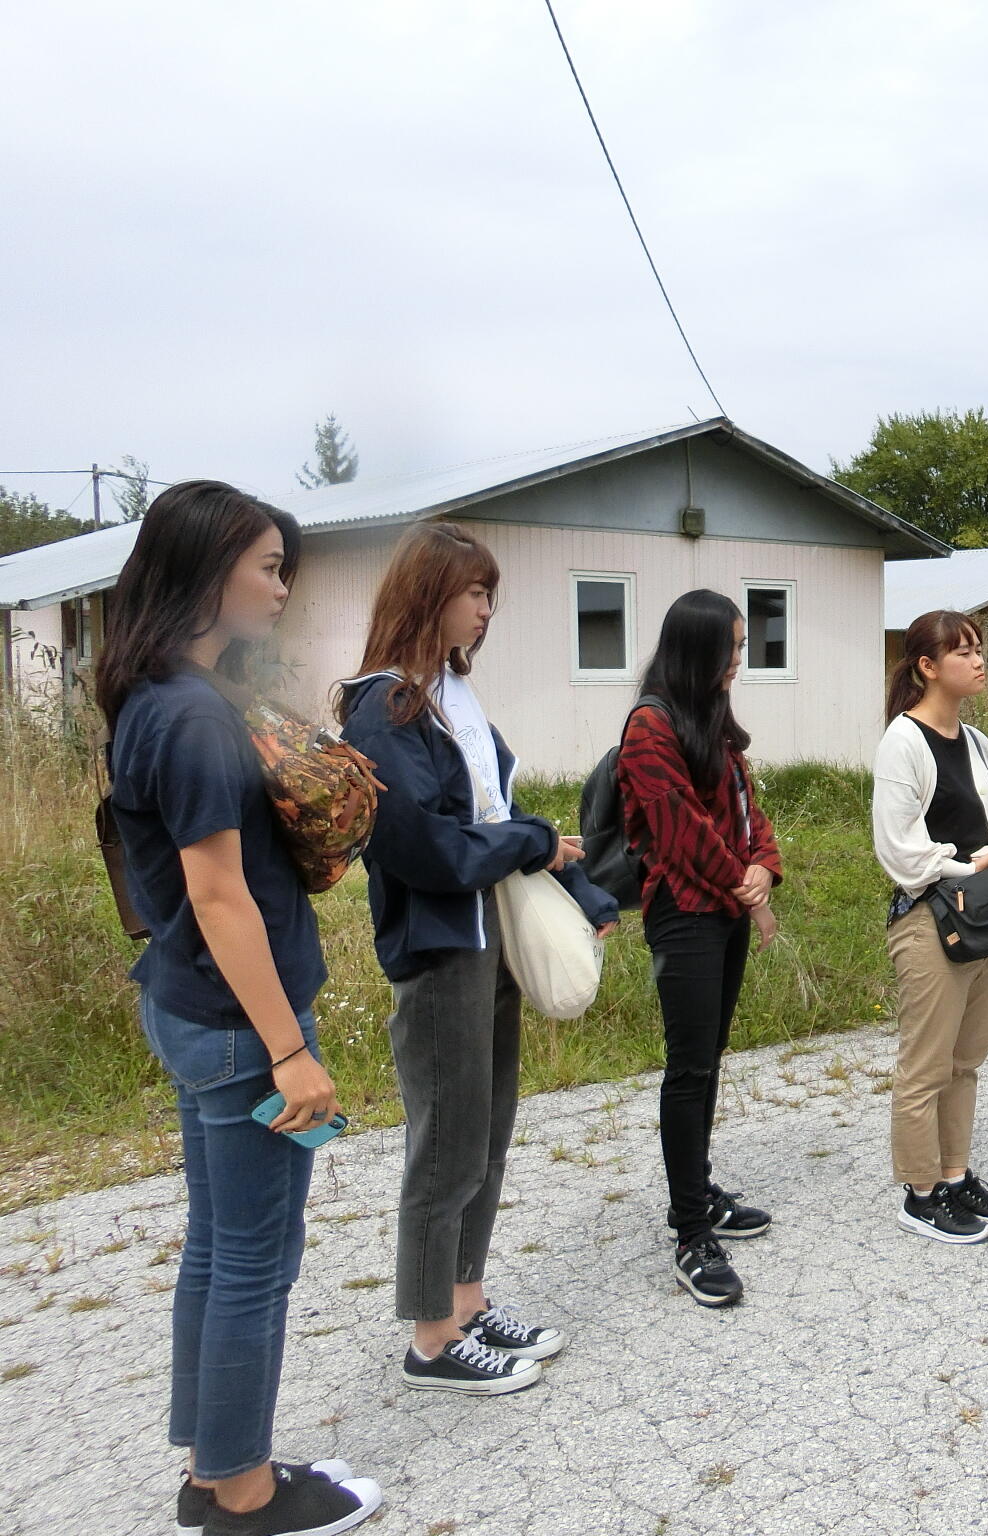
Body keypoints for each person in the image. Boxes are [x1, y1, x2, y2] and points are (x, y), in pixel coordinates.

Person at [101, 482, 383, 1536]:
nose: (281, 587)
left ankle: (212, 1466)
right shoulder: (193, 718)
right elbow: (219, 897)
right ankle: (247, 1495)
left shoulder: (156, 695)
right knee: (257, 1258)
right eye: (268, 566)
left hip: (188, 1008)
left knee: (219, 1248)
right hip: (237, 1027)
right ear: (209, 567)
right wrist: (288, 1052)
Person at [339, 523, 618, 1393]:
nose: (487, 608)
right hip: (439, 945)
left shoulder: (449, 693)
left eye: (491, 593)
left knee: (487, 1134)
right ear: (428, 596)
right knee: (445, 1144)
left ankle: (467, 1297)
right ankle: (431, 1339)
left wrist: (576, 883)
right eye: (474, 592)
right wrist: (529, 837)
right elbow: (431, 850)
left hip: (489, 932)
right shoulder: (385, 708)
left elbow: (498, 820)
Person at [616, 590, 782, 1305]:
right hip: (685, 914)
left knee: (709, 1061)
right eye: (732, 650)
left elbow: (750, 810)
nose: (738, 663)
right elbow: (679, 830)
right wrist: (742, 886)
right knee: (687, 1069)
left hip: (727, 908)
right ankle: (690, 1232)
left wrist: (764, 869)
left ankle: (700, 1187)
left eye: (742, 649)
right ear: (697, 650)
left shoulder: (712, 722)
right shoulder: (650, 729)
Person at [872, 610, 988, 1242]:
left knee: (966, 1060)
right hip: (931, 921)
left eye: (980, 650)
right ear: (927, 667)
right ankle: (920, 1194)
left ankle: (954, 1172)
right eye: (965, 652)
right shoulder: (904, 741)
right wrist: (971, 862)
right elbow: (900, 851)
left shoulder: (975, 742)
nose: (979, 661)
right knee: (926, 1064)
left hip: (985, 917)